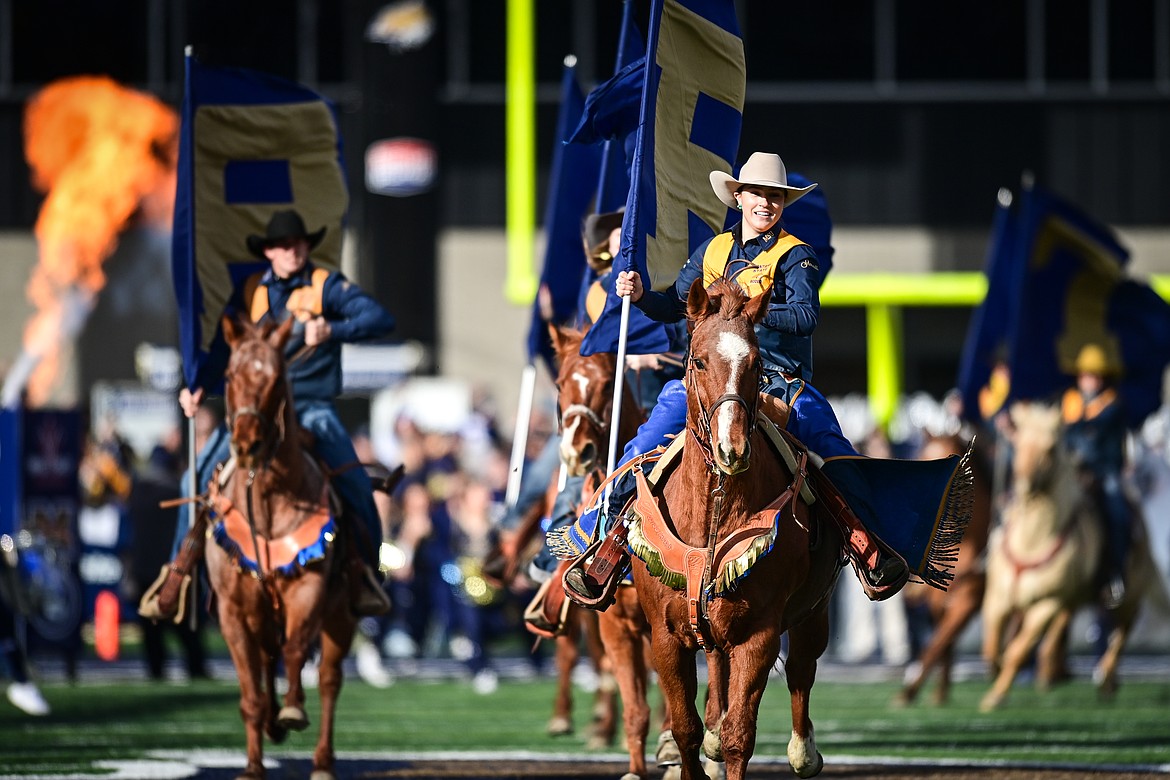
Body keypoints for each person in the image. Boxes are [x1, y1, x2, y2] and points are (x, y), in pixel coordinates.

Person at [563, 152, 910, 604]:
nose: (766, 204)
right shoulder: (712, 251)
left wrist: (746, 308)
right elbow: (676, 309)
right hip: (709, 382)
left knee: (832, 450)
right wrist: (644, 295)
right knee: (646, 441)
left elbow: (806, 316)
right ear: (739, 197)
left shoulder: (797, 256)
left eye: (776, 197)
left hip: (779, 381)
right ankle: (602, 545)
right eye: (758, 195)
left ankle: (870, 545)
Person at [139, 209, 396, 620]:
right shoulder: (250, 291)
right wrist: (198, 385)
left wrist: (332, 329)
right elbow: (225, 347)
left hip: (311, 407)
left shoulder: (325, 286)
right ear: (269, 251)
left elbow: (381, 319)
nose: (291, 251)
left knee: (356, 486)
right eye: (281, 245)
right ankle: (179, 575)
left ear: (306, 246)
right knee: (195, 476)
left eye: (297, 243)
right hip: (257, 412)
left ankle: (364, 574)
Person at [1061, 343, 1132, 607]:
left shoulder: (1113, 404)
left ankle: (1116, 573)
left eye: (1096, 374)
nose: (1091, 379)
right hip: (1074, 473)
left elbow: (1100, 436)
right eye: (1086, 374)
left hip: (1104, 472)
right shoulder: (1069, 402)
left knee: (1117, 509)